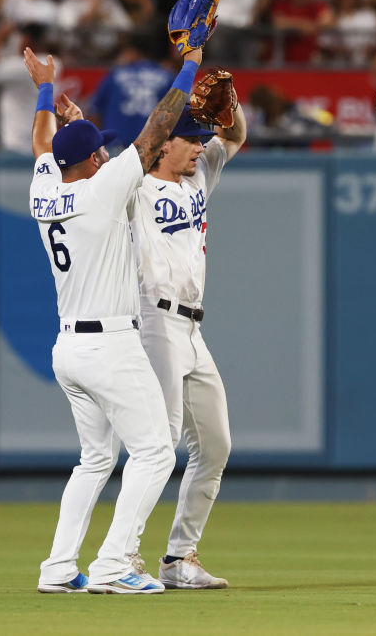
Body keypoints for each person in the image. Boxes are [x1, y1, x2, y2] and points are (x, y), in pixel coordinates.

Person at [29, 0, 216, 595]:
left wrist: (45, 93)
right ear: (88, 164)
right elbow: (158, 127)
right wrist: (189, 61)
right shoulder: (102, 188)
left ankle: (58, 568)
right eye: (99, 149)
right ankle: (113, 566)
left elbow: (42, 145)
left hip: (65, 348)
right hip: (109, 343)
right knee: (157, 452)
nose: (108, 151)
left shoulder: (45, 188)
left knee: (95, 459)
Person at [131, 94, 247, 591]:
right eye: (191, 139)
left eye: (202, 139)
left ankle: (180, 557)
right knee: (158, 445)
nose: (201, 147)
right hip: (155, 321)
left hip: (193, 329)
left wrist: (233, 104)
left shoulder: (198, 177)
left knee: (216, 444)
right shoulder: (133, 189)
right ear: (162, 145)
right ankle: (124, 555)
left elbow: (236, 135)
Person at [90, 35, 174, 146]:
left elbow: (95, 111)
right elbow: (176, 115)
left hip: (116, 144)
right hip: (150, 147)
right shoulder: (167, 76)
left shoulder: (116, 74)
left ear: (133, 51)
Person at [0, 23, 59, 153]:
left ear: (26, 40)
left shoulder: (28, 65)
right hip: (40, 143)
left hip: (18, 145)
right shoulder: (54, 63)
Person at [269, 0, 333, 64]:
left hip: (309, 61)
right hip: (282, 62)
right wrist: (303, 25)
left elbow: (328, 21)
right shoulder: (282, 3)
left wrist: (308, 26)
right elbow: (278, 22)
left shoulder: (316, 4)